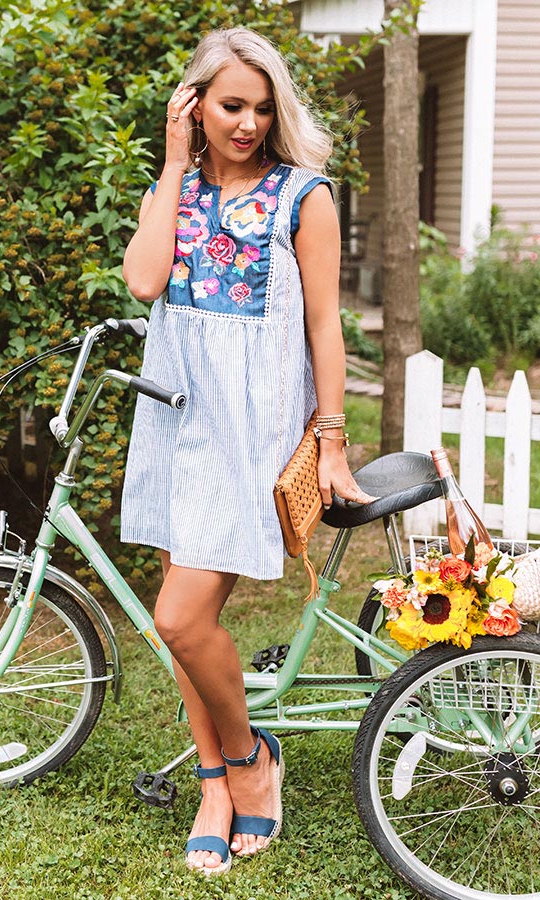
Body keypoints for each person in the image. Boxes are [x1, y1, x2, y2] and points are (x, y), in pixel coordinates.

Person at [120, 26, 374, 875]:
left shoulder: (305, 195)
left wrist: (330, 438)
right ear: (195, 104)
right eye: (232, 105)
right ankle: (216, 783)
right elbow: (147, 281)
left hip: (251, 428)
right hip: (177, 417)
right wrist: (170, 159)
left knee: (179, 618)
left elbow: (324, 325)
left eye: (263, 108)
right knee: (189, 631)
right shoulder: (179, 189)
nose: (249, 123)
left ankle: (250, 759)